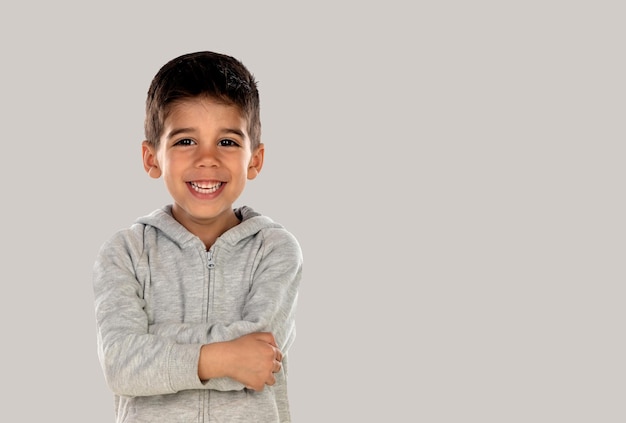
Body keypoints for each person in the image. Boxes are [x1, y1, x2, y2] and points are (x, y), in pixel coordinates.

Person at [92, 51, 303, 423]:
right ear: (151, 158)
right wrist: (222, 357)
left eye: (227, 142)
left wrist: (156, 346)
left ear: (255, 160)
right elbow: (121, 363)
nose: (207, 159)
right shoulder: (125, 253)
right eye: (186, 141)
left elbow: (259, 358)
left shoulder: (275, 250)